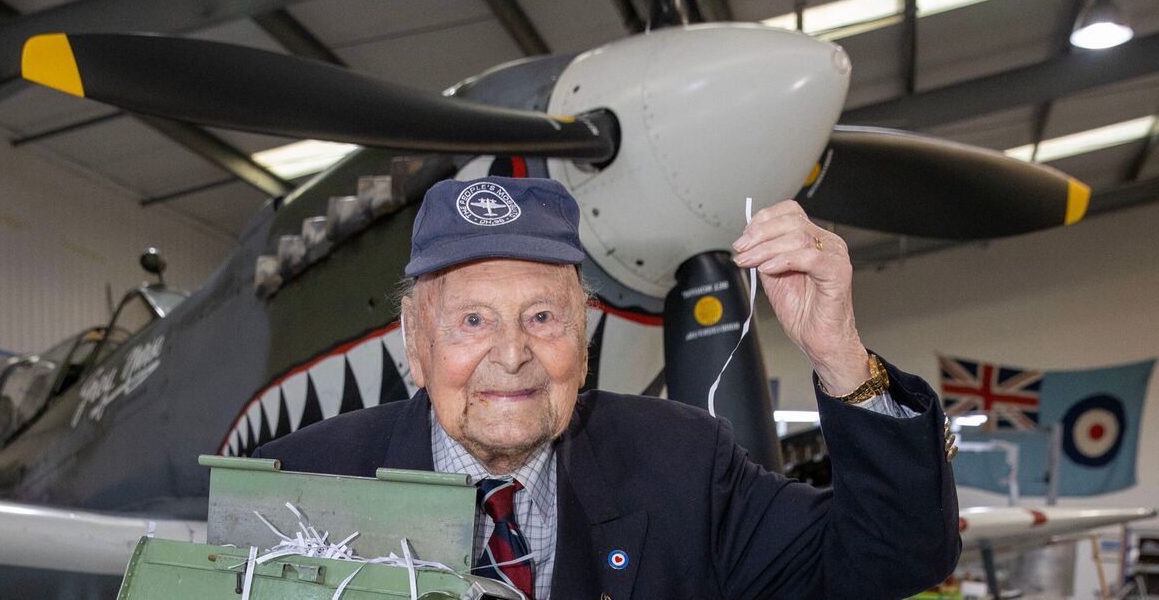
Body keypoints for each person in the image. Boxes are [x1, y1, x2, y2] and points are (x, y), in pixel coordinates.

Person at [255, 176, 961, 599]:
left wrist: (837, 352)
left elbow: (893, 558)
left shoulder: (680, 464)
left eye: (542, 317)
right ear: (416, 340)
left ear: (583, 335)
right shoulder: (300, 483)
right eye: (473, 320)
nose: (512, 355)